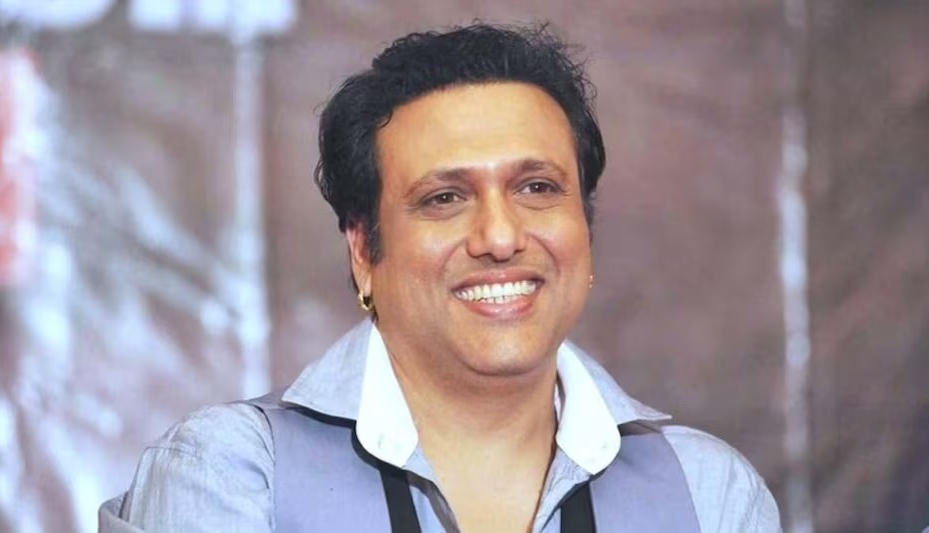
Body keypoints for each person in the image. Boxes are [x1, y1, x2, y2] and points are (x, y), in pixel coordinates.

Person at [99, 23, 781, 532]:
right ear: (363, 251)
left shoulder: (707, 494)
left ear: (585, 229)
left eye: (538, 187)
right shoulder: (233, 473)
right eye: (444, 198)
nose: (501, 238)